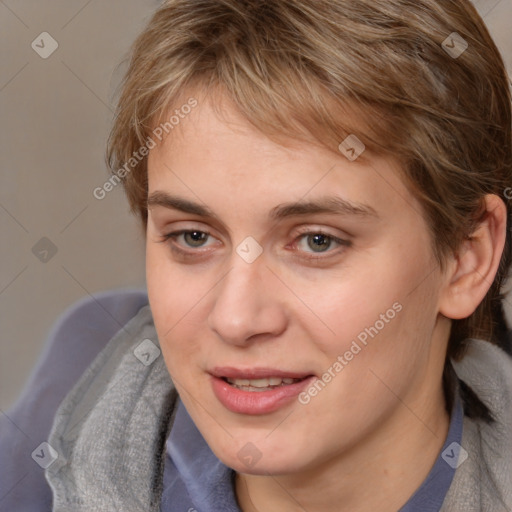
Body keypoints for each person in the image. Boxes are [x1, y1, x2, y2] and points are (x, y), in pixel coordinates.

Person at [1, 0, 511, 510]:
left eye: (317, 241)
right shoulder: (68, 393)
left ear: (467, 257)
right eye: (194, 237)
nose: (236, 319)